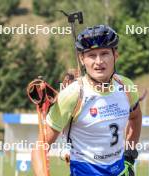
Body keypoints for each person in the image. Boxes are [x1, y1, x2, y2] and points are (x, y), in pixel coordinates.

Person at [32, 25, 142, 176]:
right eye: (91, 55)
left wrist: (129, 156)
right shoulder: (73, 95)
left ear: (115, 55)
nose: (99, 61)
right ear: (82, 59)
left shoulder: (126, 86)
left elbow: (135, 117)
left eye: (104, 53)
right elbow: (40, 147)